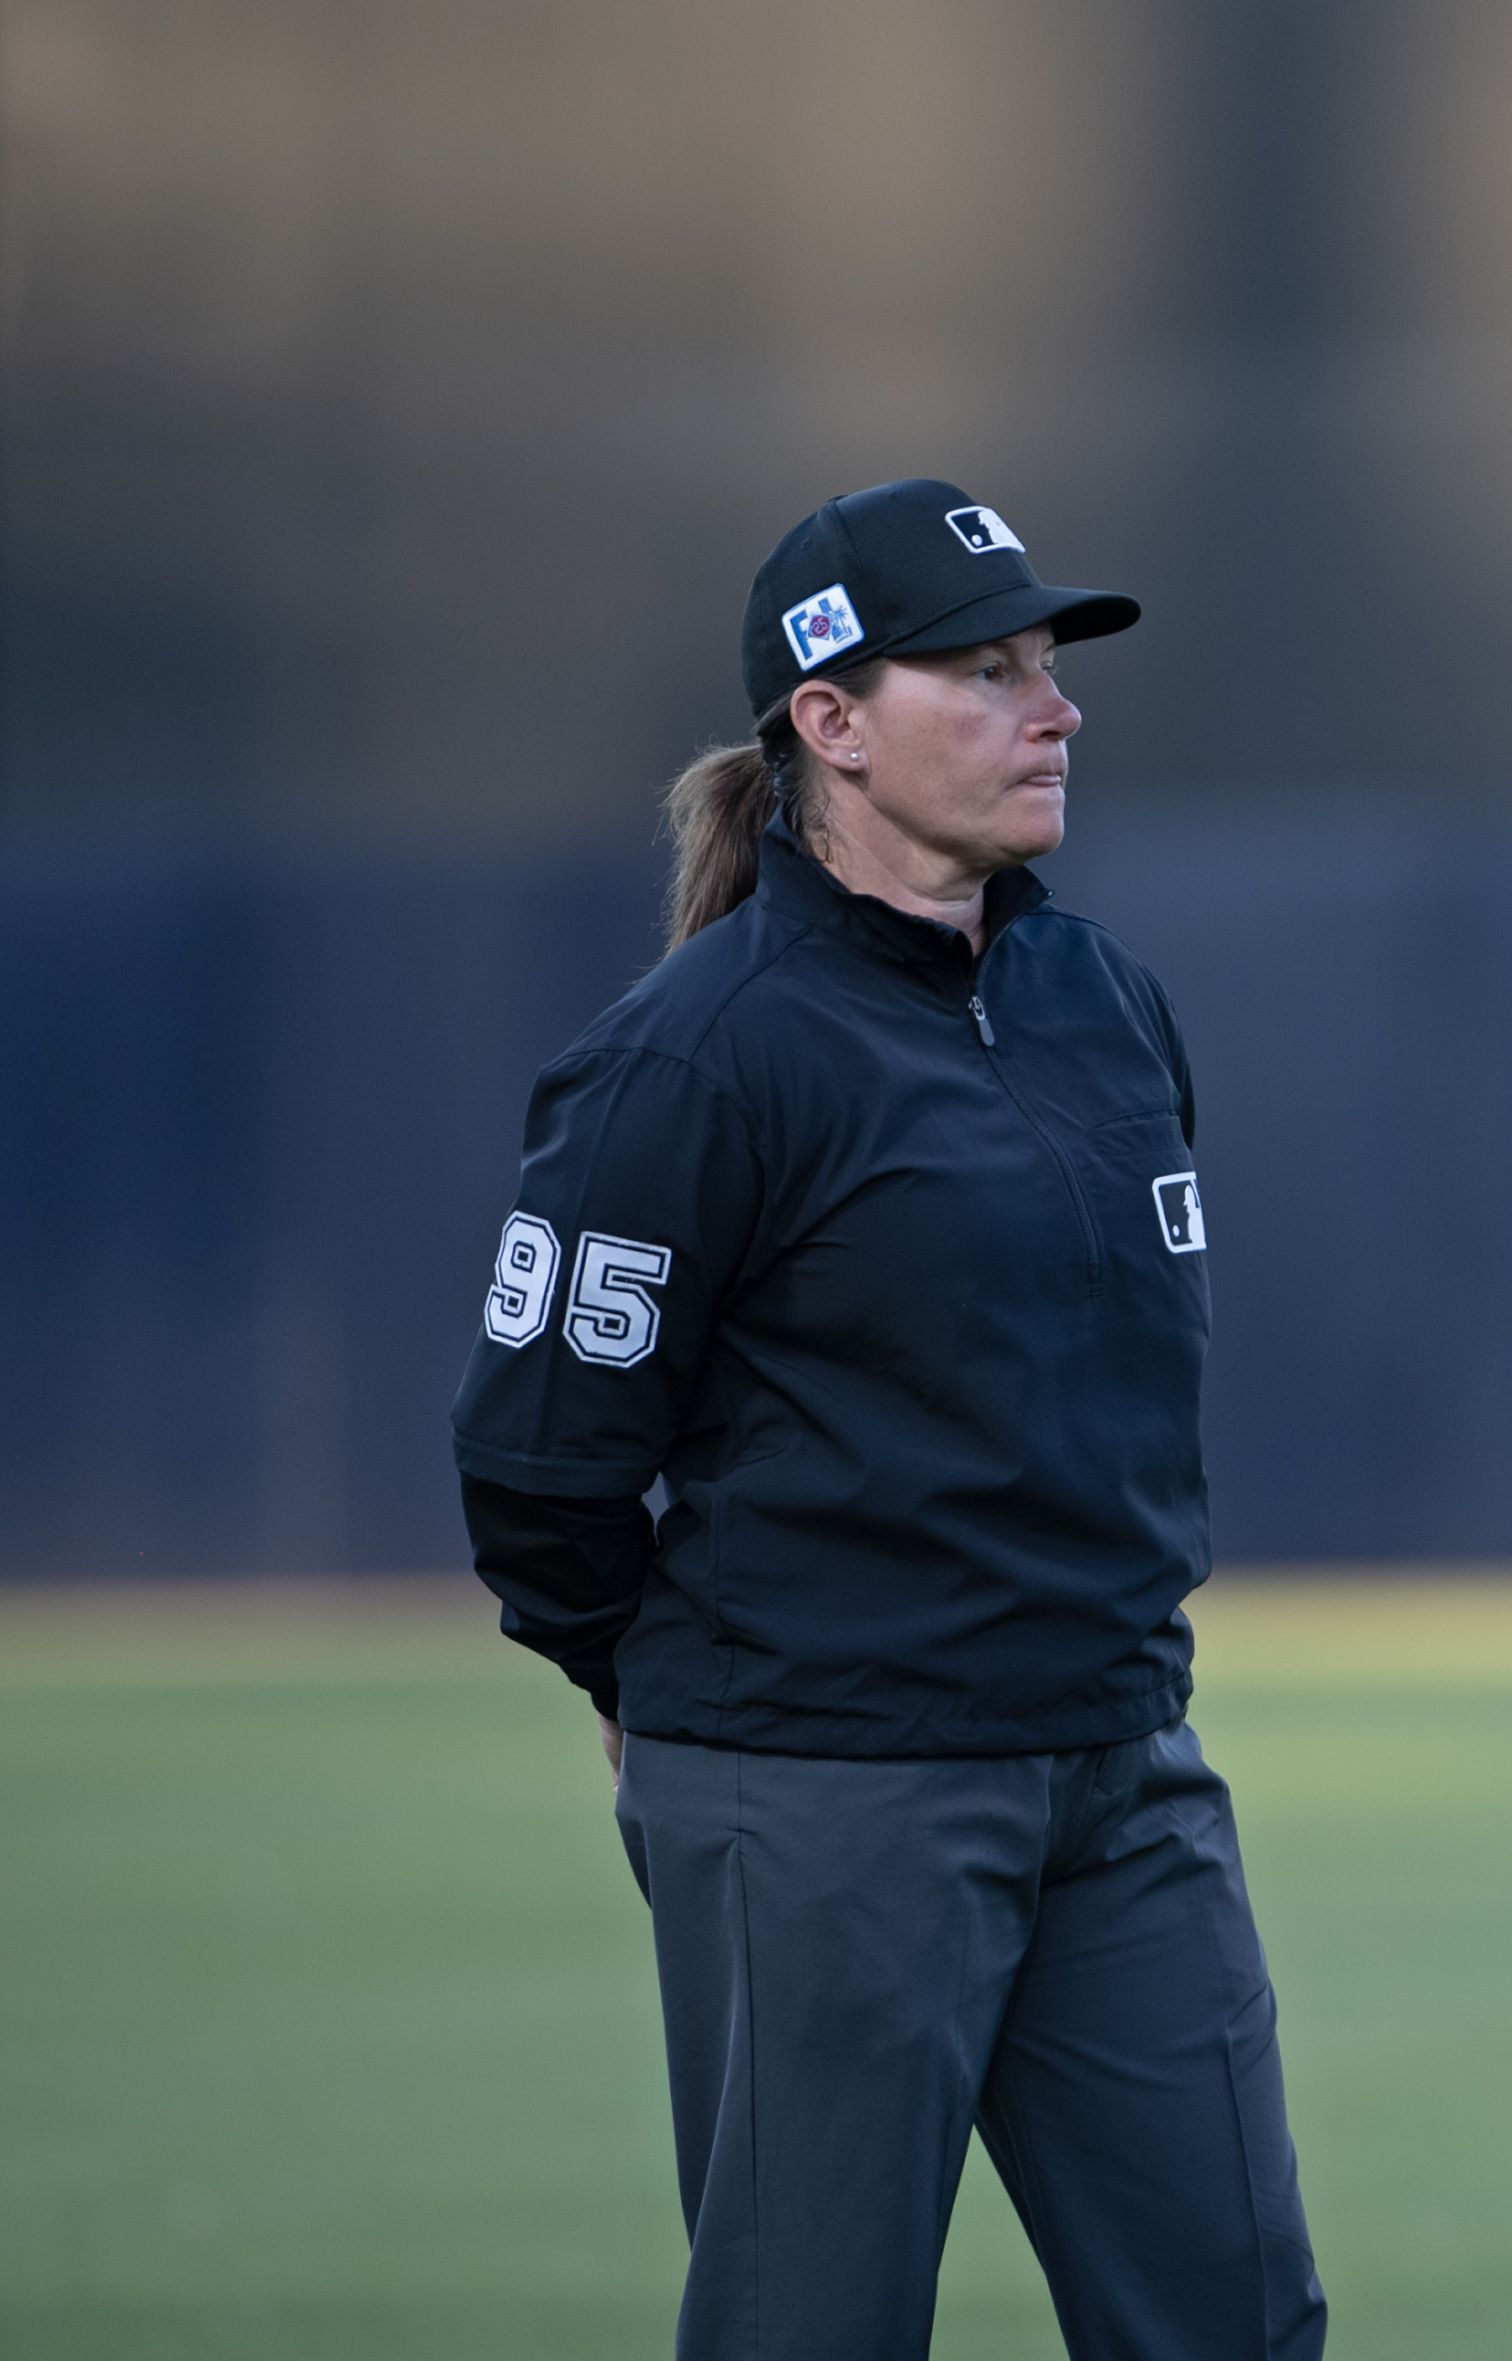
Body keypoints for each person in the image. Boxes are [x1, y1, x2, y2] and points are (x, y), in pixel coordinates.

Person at [451, 477, 1326, 2361]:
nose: (1053, 706)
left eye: (1051, 667)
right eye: (987, 669)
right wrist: (655, 1683)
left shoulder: (1098, 998)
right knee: (810, 2329)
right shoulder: (700, 1050)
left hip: (1117, 1760)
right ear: (829, 724)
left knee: (1239, 2319)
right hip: (830, 1786)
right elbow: (537, 1447)